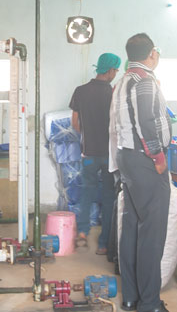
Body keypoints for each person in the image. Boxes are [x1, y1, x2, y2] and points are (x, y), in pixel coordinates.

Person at [108, 33, 172, 312]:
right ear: (152, 54)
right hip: (146, 161)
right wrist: (158, 155)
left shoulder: (122, 81)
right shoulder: (144, 82)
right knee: (152, 233)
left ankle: (131, 297)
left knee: (132, 228)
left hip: (126, 158)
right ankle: (150, 303)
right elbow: (146, 120)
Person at [69, 52, 121, 254]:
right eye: (115, 70)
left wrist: (88, 135)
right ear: (109, 70)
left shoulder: (80, 91)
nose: (115, 74)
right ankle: (102, 244)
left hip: (88, 154)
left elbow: (75, 123)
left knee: (87, 192)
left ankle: (82, 232)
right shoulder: (114, 94)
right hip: (109, 156)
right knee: (108, 197)